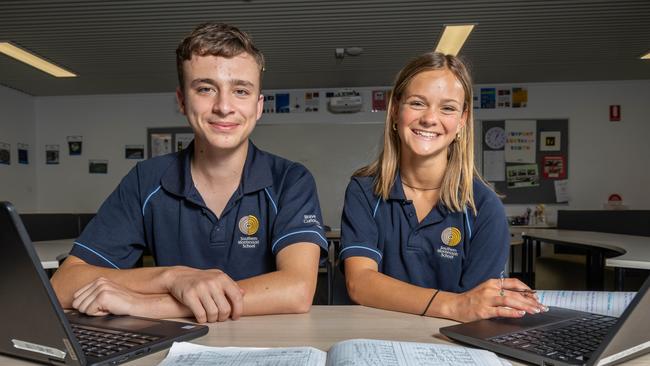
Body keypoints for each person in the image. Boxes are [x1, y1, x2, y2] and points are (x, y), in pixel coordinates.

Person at [51, 23, 328, 323]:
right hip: (174, 344)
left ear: (258, 106)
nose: (223, 106)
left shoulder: (291, 180)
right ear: (182, 100)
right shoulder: (146, 180)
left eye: (240, 90)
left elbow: (297, 291)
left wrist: (150, 305)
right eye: (206, 88)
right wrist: (173, 278)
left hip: (266, 344)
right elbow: (63, 285)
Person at [340, 52, 546, 322]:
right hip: (376, 338)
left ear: (462, 120)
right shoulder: (364, 192)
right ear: (394, 110)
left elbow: (478, 310)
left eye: (447, 108)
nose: (429, 118)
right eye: (417, 103)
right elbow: (360, 283)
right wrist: (454, 305)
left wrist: (463, 306)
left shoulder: (483, 207)